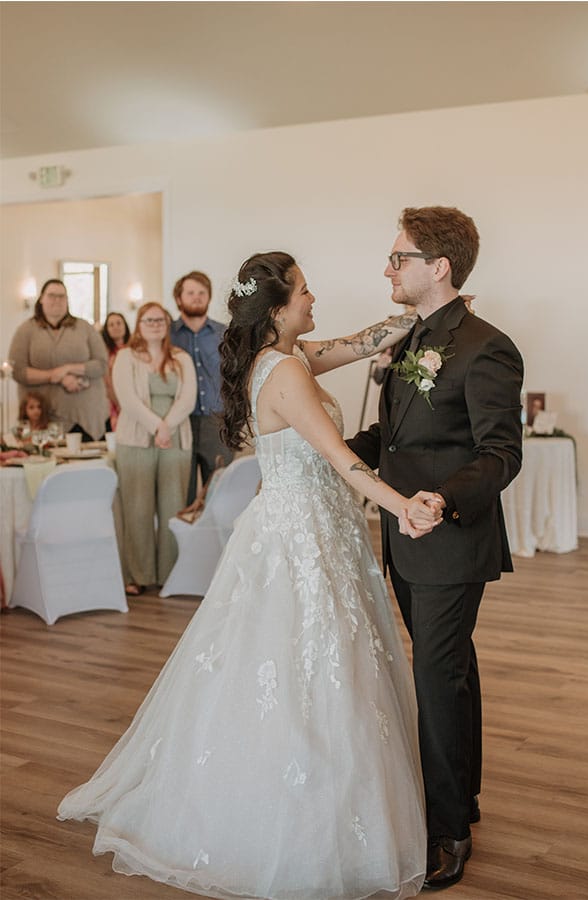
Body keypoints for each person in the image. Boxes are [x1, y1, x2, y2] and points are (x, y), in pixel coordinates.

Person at [58, 251, 444, 899]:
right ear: (275, 308)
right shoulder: (287, 374)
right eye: (302, 291)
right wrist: (403, 504)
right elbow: (341, 460)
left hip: (319, 528)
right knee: (302, 666)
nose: (313, 296)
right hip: (300, 537)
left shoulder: (287, 357)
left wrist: (423, 308)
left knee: (329, 663)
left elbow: (359, 342)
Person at [348, 207, 524, 890]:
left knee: (435, 677)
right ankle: (466, 800)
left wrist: (442, 501)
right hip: (403, 536)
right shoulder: (408, 340)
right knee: (450, 670)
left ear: (437, 266)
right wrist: (322, 455)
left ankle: (447, 830)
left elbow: (500, 454)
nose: (388, 269)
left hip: (448, 538)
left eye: (399, 258)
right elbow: (388, 442)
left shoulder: (486, 346)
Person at [112, 302, 197, 596]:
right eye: (148, 320)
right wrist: (155, 426)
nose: (155, 324)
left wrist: (166, 427)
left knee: (173, 505)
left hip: (175, 438)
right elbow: (127, 399)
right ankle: (138, 575)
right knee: (137, 508)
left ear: (167, 324)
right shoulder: (125, 357)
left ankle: (170, 573)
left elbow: (188, 399)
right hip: (135, 438)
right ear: (139, 325)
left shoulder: (181, 358)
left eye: (160, 320)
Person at [9, 279, 109, 441]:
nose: (57, 300)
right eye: (52, 296)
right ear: (41, 299)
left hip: (85, 416)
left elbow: (101, 364)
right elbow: (18, 370)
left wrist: (68, 368)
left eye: (62, 296)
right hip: (43, 417)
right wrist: (55, 375)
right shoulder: (26, 330)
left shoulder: (84, 327)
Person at [170, 270, 233, 504]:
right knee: (181, 494)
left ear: (208, 297)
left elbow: (235, 377)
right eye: (190, 293)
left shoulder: (224, 333)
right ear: (179, 298)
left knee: (220, 493)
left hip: (216, 423)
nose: (196, 297)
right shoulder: (166, 334)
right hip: (178, 424)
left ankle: (218, 542)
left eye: (202, 293)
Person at [101, 312, 131, 432]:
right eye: (111, 325)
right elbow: (106, 381)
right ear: (106, 329)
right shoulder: (104, 353)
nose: (116, 327)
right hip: (111, 401)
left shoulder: (135, 349)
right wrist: (118, 403)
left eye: (119, 323)